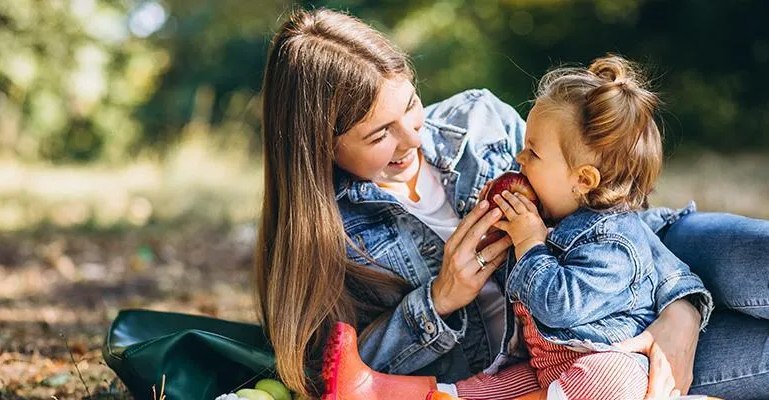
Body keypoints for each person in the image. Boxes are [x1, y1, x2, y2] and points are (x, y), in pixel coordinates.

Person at [253, 7, 769, 400]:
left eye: (410, 104)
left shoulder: (475, 117)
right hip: (577, 354)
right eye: (379, 134)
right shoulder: (329, 234)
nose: (413, 137)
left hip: (649, 250)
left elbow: (604, 201)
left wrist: (681, 303)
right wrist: (440, 299)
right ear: (319, 143)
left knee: (758, 258)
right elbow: (334, 370)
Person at [476, 54, 693, 399]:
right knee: (483, 386)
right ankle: (418, 390)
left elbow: (557, 304)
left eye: (532, 151)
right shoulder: (552, 218)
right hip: (548, 370)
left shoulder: (613, 242)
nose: (519, 158)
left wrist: (530, 244)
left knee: (610, 379)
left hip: (600, 367)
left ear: (583, 180)